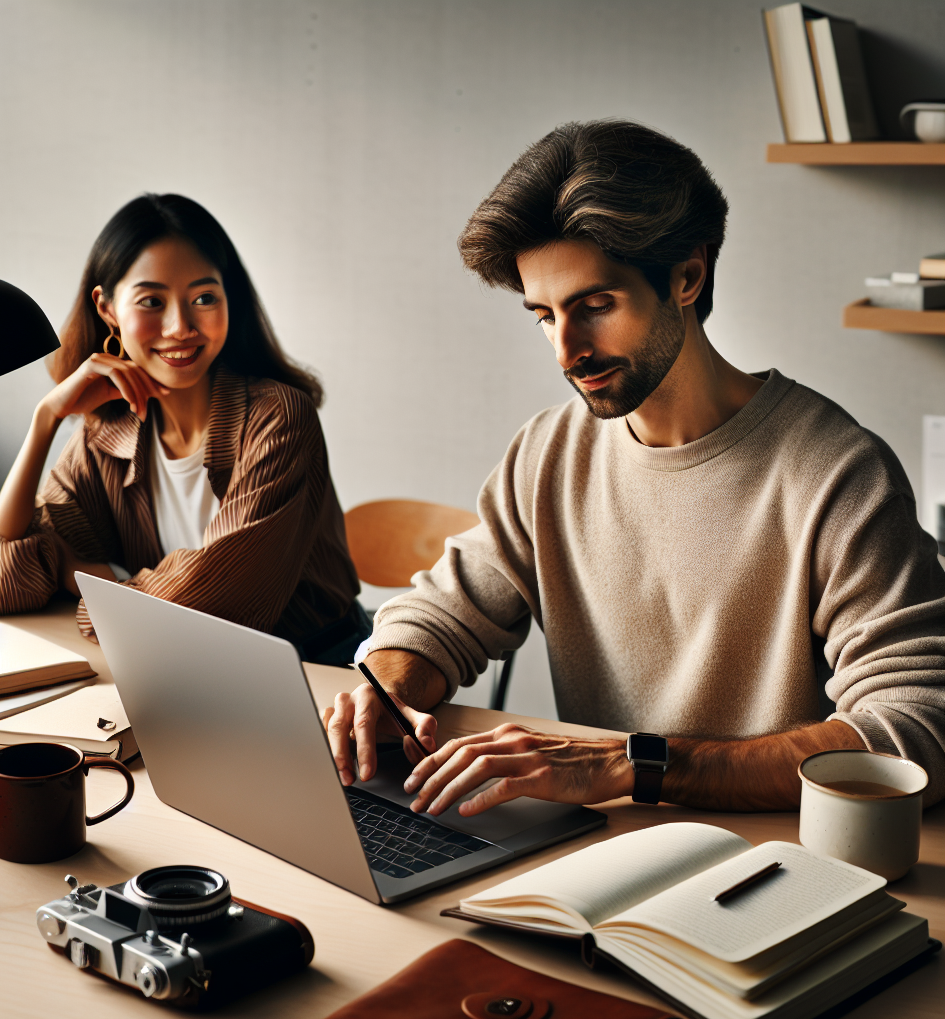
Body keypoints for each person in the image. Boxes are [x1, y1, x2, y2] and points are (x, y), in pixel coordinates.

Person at [325, 120, 945, 813]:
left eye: (595, 307)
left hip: (769, 864)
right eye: (544, 316)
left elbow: (914, 729)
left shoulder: (836, 474)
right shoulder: (548, 453)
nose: (567, 351)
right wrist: (386, 690)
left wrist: (636, 765)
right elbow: (443, 613)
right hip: (599, 852)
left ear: (687, 276)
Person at [0, 194, 368, 665]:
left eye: (204, 298)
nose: (180, 326)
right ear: (107, 309)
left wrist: (85, 581)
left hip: (321, 670)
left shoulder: (279, 418)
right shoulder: (106, 432)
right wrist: (45, 421)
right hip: (178, 672)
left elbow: (217, 610)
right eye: (152, 301)